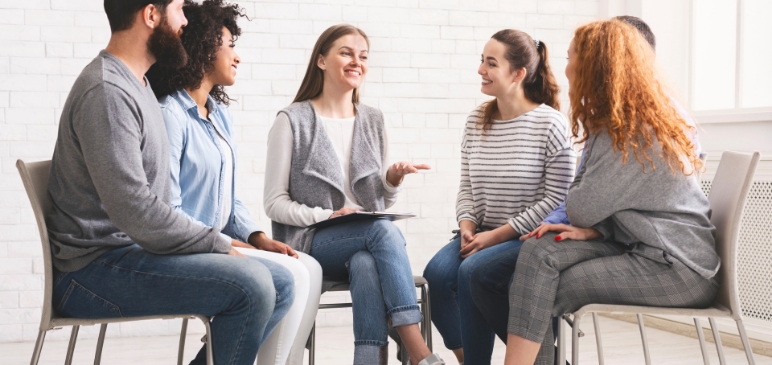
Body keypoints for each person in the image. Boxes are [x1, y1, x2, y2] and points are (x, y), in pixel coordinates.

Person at [45, 1, 292, 364]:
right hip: (90, 274)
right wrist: (219, 244)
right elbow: (137, 211)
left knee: (281, 283)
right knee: (251, 285)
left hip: (127, 253)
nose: (184, 21)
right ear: (151, 15)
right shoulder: (108, 91)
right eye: (178, 9)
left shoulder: (137, 83)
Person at [503, 19, 719, 365]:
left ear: (596, 66)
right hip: (646, 248)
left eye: (573, 57)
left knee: (539, 285)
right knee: (537, 254)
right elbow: (589, 199)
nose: (567, 66)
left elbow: (580, 205)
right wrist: (592, 224)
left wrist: (589, 220)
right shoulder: (618, 120)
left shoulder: (633, 130)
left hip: (678, 270)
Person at [145, 1, 320, 365]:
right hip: (185, 247)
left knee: (305, 269)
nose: (237, 57)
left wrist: (257, 237)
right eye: (229, 45)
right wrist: (227, 244)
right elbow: (167, 208)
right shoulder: (170, 115)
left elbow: (228, 197)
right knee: (287, 279)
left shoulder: (219, 115)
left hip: (217, 241)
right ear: (204, 47)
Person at [263, 24, 444, 365]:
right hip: (313, 240)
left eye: (363, 56)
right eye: (346, 53)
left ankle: (369, 359)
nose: (356, 62)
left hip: (367, 242)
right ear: (321, 61)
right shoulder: (292, 120)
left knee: (365, 263)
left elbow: (381, 201)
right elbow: (274, 203)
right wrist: (327, 215)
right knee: (382, 231)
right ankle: (417, 349)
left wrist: (391, 179)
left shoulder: (373, 119)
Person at [422, 30, 576, 365]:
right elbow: (467, 185)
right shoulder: (477, 120)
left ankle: (533, 356)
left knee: (470, 271)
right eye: (482, 60)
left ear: (518, 73)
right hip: (482, 231)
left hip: (530, 237)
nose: (481, 70)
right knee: (436, 274)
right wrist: (467, 224)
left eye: (491, 63)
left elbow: (558, 200)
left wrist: (498, 234)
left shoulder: (550, 124)